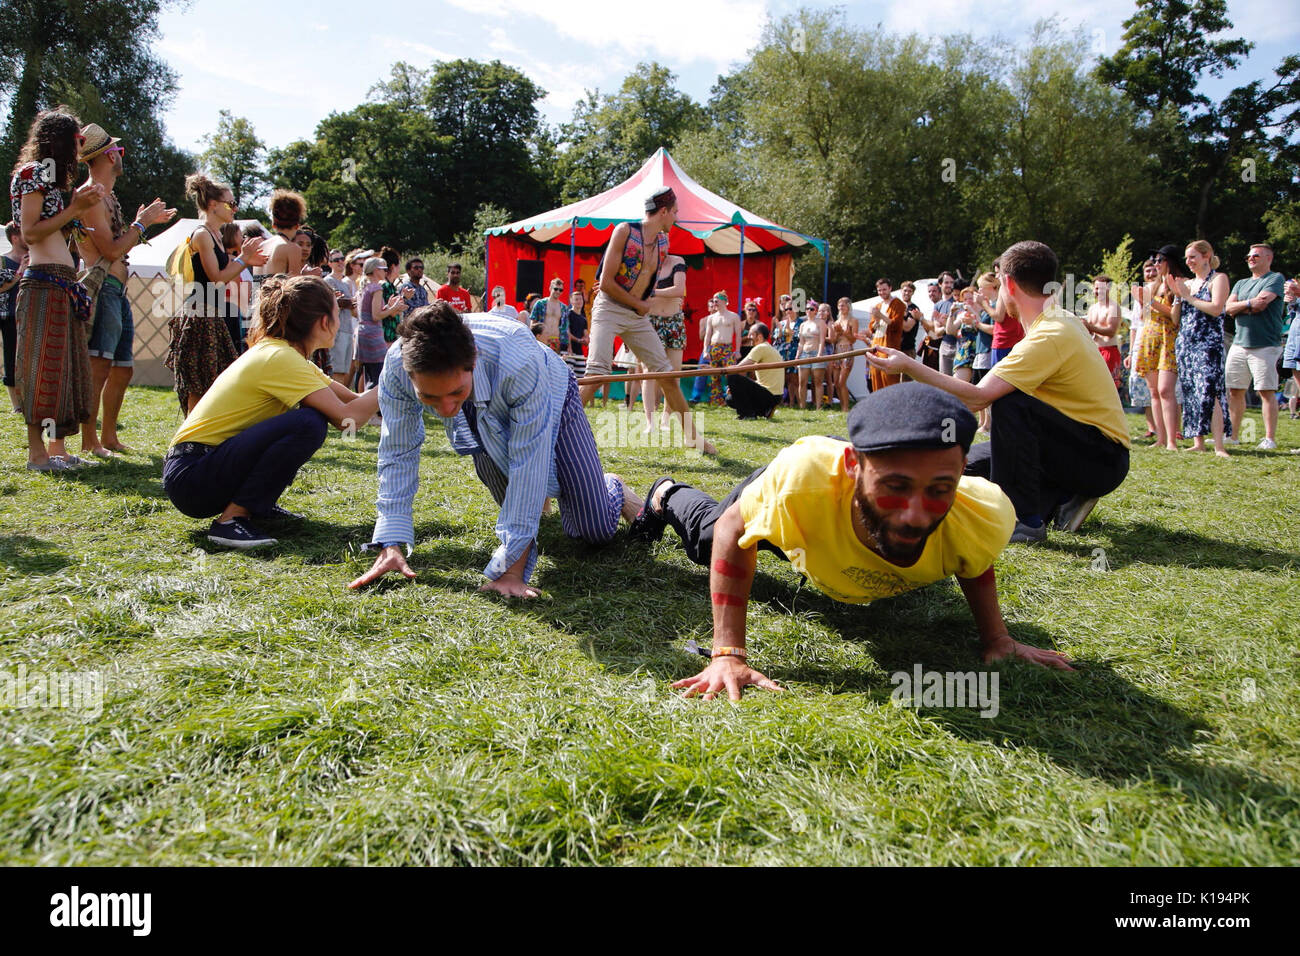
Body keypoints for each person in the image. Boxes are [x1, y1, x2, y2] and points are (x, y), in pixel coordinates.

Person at [628, 382, 1073, 700]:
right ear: (852, 465)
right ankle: (668, 495)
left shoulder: (982, 512)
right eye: (896, 486)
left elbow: (971, 556)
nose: (917, 514)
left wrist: (998, 638)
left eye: (940, 489)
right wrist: (728, 653)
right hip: (812, 513)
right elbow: (732, 530)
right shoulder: (800, 485)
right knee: (709, 539)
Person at [349, 303, 647, 598]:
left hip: (555, 395)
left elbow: (529, 461)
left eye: (456, 392)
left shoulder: (518, 359)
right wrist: (391, 542)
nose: (447, 409)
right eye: (429, 397)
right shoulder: (396, 367)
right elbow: (397, 451)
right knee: (529, 513)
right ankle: (535, 508)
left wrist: (511, 572)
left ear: (473, 361)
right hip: (487, 416)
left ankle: (614, 488)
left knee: (593, 531)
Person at [865, 240, 1130, 544]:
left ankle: (1024, 520)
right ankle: (1060, 498)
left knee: (1011, 403)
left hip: (1101, 459)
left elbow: (979, 397)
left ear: (1008, 283)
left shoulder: (1051, 334)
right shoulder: (1060, 319)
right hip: (1087, 451)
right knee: (961, 471)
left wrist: (910, 366)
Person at [163, 275, 379, 547]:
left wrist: (397, 381)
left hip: (196, 470)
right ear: (325, 321)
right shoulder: (282, 358)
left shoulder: (287, 356)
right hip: (193, 476)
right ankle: (231, 520)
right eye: (338, 313)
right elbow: (348, 419)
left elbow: (356, 401)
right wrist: (396, 378)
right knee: (309, 423)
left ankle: (256, 506)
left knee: (308, 421)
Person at [577, 187, 713, 453]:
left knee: (668, 375)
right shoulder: (625, 231)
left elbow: (647, 280)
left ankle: (694, 439)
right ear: (663, 211)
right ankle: (556, 431)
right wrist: (640, 304)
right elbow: (605, 282)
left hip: (637, 316)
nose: (676, 217)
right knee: (596, 374)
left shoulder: (663, 242)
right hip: (610, 308)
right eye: (674, 212)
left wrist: (645, 303)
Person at [10, 108, 108, 471]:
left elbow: (54, 229)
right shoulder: (32, 174)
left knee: (64, 368)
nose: (81, 148)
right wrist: (76, 208)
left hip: (61, 283)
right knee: (42, 369)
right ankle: (38, 455)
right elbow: (31, 232)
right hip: (42, 282)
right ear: (61, 141)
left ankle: (57, 451)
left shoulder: (52, 183)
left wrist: (80, 208)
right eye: (78, 140)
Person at [72, 124, 177, 457]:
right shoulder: (90, 196)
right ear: (107, 155)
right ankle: (90, 440)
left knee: (123, 367)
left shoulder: (106, 196)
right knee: (99, 365)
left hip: (116, 289)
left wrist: (143, 225)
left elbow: (119, 244)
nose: (122, 154)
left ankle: (108, 437)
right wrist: (142, 223)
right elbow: (111, 250)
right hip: (102, 287)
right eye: (118, 149)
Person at [167, 174, 268, 413]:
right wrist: (243, 258)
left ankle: (199, 439)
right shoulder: (202, 235)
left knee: (212, 380)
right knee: (198, 383)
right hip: (200, 314)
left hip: (212, 312)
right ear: (213, 205)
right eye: (231, 203)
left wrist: (244, 261)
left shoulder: (216, 237)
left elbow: (224, 276)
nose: (235, 208)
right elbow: (217, 278)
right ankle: (189, 442)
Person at [1168, 239, 1231, 456]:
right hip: (1186, 343)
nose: (1188, 262)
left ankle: (1219, 445)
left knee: (1210, 391)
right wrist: (1178, 296)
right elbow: (1175, 319)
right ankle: (1198, 441)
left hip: (1208, 344)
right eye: (1187, 258)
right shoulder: (1189, 284)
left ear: (1206, 256)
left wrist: (1188, 296)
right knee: (1191, 391)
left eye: (1193, 257)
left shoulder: (1218, 279)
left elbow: (1216, 308)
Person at [1223, 243, 1286, 449]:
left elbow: (1261, 305)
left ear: (1269, 258)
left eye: (1256, 256)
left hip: (1265, 345)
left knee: (1265, 391)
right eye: (1249, 256)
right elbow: (1227, 308)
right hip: (1239, 344)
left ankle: (1269, 438)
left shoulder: (1275, 279)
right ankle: (1232, 436)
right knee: (1234, 390)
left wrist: (1243, 306)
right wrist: (1250, 304)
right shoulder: (1241, 283)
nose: (1251, 259)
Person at [1133, 247, 1182, 450]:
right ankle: (1160, 438)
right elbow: (1144, 316)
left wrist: (1149, 301)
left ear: (1170, 261)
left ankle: (1172, 440)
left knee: (1165, 390)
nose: (1156, 263)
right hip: (1149, 338)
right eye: (1154, 260)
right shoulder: (1152, 286)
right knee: (1153, 391)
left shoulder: (1178, 284)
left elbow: (1174, 315)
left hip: (1168, 339)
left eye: (1160, 259)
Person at [643, 251, 686, 430]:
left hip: (674, 321)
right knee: (648, 373)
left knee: (674, 373)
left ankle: (665, 418)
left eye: (665, 238)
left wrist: (652, 292)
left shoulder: (678, 261)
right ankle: (650, 422)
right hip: (651, 321)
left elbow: (678, 289)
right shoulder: (646, 264)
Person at [356, 256, 404, 390]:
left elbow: (369, 312)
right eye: (384, 269)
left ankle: (362, 406)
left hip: (362, 333)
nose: (386, 272)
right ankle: (374, 409)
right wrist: (393, 309)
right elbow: (376, 316)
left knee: (366, 374)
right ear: (376, 270)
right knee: (377, 376)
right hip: (373, 335)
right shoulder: (376, 288)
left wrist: (389, 307)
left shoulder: (364, 286)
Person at [1, 221, 30, 412]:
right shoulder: (3, 261)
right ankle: (16, 405)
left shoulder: (36, 258)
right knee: (11, 357)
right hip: (9, 315)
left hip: (30, 313)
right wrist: (21, 271)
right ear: (15, 237)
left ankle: (31, 400)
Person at [726, 322, 782, 420]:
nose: (748, 337)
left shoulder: (760, 348)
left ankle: (748, 414)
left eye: (751, 334)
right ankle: (763, 411)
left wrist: (734, 382)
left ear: (759, 337)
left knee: (732, 376)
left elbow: (738, 369)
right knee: (730, 399)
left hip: (770, 396)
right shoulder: (768, 348)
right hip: (774, 396)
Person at [1082, 275, 1123, 393]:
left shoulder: (1113, 307)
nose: (1097, 291)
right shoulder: (1092, 309)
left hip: (1109, 350)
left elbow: (1111, 331)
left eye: (1100, 288)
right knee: (1093, 387)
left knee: (1109, 389)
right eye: (1095, 288)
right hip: (1094, 350)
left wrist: (1090, 326)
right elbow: (1090, 331)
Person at [702, 290, 741, 406]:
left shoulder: (734, 316)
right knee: (714, 376)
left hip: (727, 348)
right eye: (713, 301)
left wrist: (737, 350)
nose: (714, 303)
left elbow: (738, 335)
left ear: (724, 301)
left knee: (731, 374)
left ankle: (734, 400)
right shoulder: (711, 318)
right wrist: (705, 350)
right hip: (714, 347)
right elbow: (707, 335)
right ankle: (716, 401)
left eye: (717, 300)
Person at [323, 249, 356, 386]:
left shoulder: (343, 283)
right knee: (336, 371)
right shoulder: (328, 281)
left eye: (342, 259)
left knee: (345, 371)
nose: (340, 262)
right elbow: (328, 304)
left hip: (347, 329)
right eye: (336, 260)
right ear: (329, 264)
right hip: (337, 330)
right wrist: (343, 303)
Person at [864, 280, 903, 392]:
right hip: (877, 344)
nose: (882, 292)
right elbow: (872, 328)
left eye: (884, 289)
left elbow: (896, 326)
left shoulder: (898, 304)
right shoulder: (878, 305)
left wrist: (880, 315)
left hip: (889, 345)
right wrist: (876, 320)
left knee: (889, 377)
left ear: (890, 288)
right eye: (879, 290)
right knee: (876, 375)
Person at [796, 300, 828, 409]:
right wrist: (797, 356)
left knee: (818, 381)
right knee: (802, 381)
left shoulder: (821, 322)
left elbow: (822, 340)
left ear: (816, 311)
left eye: (811, 309)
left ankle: (819, 406)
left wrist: (819, 354)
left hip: (816, 352)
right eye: (807, 309)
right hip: (805, 353)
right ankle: (802, 406)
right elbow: (801, 342)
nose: (809, 311)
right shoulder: (803, 324)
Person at [829, 295, 859, 406]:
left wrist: (843, 331)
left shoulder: (853, 320)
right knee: (836, 382)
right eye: (840, 305)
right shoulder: (837, 321)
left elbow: (853, 339)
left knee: (842, 382)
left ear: (849, 307)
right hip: (837, 351)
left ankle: (846, 408)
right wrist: (836, 333)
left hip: (847, 351)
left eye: (844, 305)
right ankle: (843, 406)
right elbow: (834, 340)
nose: (841, 307)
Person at [528, 277, 570, 353]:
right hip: (542, 339)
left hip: (557, 340)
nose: (558, 292)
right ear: (550, 288)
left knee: (556, 364)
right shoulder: (540, 304)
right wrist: (532, 340)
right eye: (556, 289)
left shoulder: (564, 308)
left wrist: (569, 346)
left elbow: (566, 328)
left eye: (560, 290)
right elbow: (533, 323)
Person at [898, 281, 922, 357]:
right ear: (901, 291)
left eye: (910, 291)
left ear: (913, 293)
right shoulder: (895, 306)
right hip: (894, 347)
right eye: (905, 290)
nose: (907, 293)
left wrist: (896, 315)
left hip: (907, 350)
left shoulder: (914, 309)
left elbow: (907, 327)